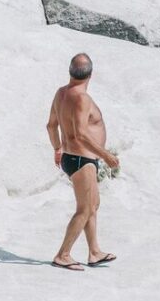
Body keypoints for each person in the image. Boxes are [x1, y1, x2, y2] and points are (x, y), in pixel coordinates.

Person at [47, 53, 119, 270]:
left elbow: (51, 125)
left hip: (75, 158)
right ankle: (63, 254)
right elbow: (80, 134)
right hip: (82, 159)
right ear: (91, 74)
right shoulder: (82, 98)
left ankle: (94, 252)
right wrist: (106, 155)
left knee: (93, 205)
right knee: (85, 208)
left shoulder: (61, 94)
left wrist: (57, 148)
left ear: (70, 71)